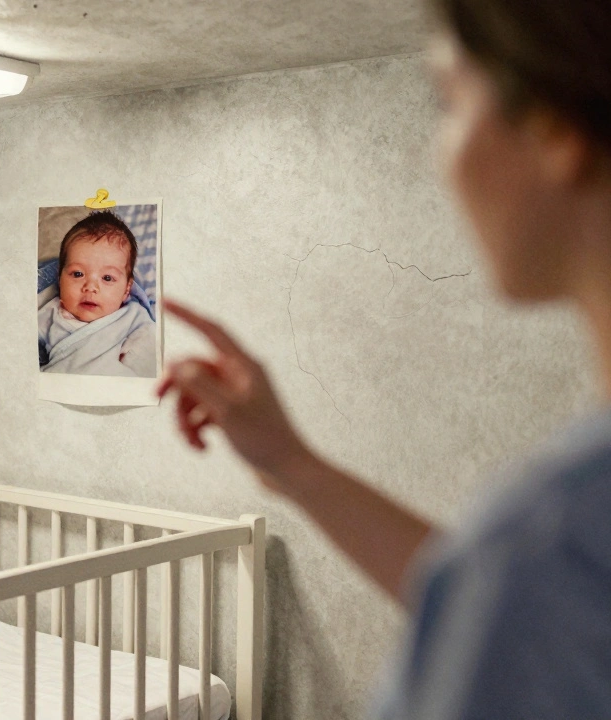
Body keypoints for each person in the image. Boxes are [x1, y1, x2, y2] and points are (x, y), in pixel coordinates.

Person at [155, 1, 611, 717]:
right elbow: (516, 611)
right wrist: (293, 464)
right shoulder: (559, 544)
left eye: (449, 101)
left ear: (555, 130)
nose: (426, 154)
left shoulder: (544, 539)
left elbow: (525, 602)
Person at [38, 211, 156, 377]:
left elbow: (149, 356)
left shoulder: (133, 317)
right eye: (78, 274)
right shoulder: (50, 310)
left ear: (126, 290)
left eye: (107, 278)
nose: (90, 287)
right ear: (60, 278)